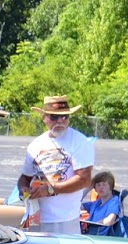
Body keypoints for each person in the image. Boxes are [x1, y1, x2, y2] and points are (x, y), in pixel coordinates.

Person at [16, 93, 95, 235]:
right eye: (54, 117)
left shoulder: (79, 141)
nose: (60, 120)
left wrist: (50, 189)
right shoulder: (35, 145)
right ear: (44, 118)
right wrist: (23, 190)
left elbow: (84, 179)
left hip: (65, 219)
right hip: (36, 218)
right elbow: (25, 177)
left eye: (65, 116)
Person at [82, 169, 128, 236]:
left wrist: (94, 225)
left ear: (111, 186)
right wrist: (88, 188)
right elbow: (75, 205)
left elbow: (110, 220)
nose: (101, 187)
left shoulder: (114, 201)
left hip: (104, 240)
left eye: (104, 184)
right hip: (92, 238)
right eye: (98, 185)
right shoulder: (96, 204)